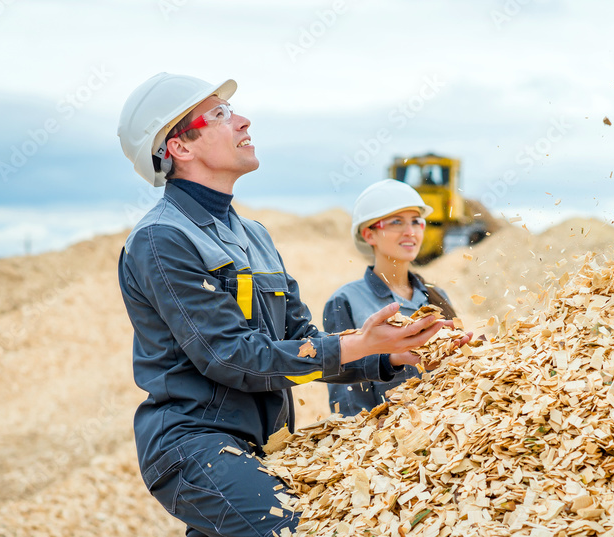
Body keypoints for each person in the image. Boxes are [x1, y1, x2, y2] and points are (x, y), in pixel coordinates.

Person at [115, 73, 464, 537]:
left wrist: (386, 354)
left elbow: (300, 343)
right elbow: (230, 356)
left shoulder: (254, 235)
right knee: (300, 528)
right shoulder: (164, 239)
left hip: (265, 444)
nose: (242, 120)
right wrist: (357, 342)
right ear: (179, 146)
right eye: (219, 113)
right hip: (198, 446)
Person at [324, 180, 459, 416]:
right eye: (396, 222)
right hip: (385, 445)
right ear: (369, 234)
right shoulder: (346, 300)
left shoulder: (436, 296)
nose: (410, 231)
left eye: (416, 222)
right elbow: (347, 398)